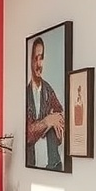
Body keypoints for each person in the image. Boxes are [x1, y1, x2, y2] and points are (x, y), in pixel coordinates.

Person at [26, 36, 64, 170]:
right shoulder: (26, 94)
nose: (38, 63)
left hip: (54, 165)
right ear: (30, 61)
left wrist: (55, 121)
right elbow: (28, 134)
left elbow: (60, 114)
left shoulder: (48, 90)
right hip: (32, 165)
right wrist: (48, 121)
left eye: (41, 58)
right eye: (35, 58)